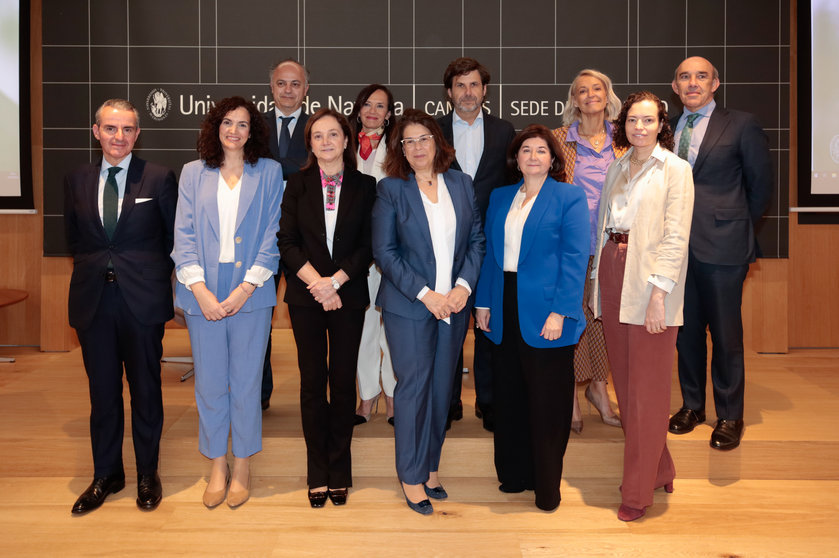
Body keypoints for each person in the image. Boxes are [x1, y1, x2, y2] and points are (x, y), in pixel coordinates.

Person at [65, 99, 177, 515]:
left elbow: (172, 242)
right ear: (96, 131)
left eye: (127, 129)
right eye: (111, 129)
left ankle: (148, 473)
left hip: (141, 302)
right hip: (93, 301)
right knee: (103, 393)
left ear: (137, 134)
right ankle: (107, 474)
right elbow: (74, 240)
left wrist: (147, 278)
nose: (119, 137)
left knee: (146, 391)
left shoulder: (161, 177)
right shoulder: (76, 178)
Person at [372, 108, 485, 515]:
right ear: (399, 148)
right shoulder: (391, 189)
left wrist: (462, 288)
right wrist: (427, 294)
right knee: (414, 388)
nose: (417, 147)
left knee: (441, 391)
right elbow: (384, 252)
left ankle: (430, 465)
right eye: (408, 141)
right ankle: (410, 473)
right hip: (410, 307)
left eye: (424, 139)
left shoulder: (461, 183)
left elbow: (475, 241)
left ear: (438, 142)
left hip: (454, 307)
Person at [172, 96, 283, 509]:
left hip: (250, 291)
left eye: (242, 124)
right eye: (226, 123)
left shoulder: (269, 172)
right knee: (211, 383)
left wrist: (244, 289)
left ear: (251, 131)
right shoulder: (192, 173)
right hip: (203, 288)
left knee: (247, 382)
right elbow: (182, 236)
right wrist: (200, 291)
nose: (233, 130)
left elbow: (273, 234)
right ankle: (216, 463)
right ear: (214, 128)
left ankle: (242, 464)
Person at [589, 91, 694, 521]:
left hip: (651, 280)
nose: (639, 127)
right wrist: (598, 283)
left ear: (661, 124)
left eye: (648, 120)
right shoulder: (618, 165)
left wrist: (659, 295)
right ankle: (660, 467)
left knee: (647, 392)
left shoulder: (676, 170)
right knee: (627, 385)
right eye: (633, 120)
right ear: (623, 123)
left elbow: (675, 237)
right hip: (614, 270)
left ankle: (636, 492)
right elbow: (603, 229)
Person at [475, 124, 589, 512]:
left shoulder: (569, 197)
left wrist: (561, 310)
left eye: (542, 150)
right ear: (516, 158)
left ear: (553, 159)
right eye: (526, 150)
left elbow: (576, 259)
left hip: (548, 309)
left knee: (548, 401)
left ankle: (546, 487)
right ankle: (513, 474)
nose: (533, 156)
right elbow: (491, 254)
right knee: (508, 395)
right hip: (504, 305)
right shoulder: (500, 196)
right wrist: (484, 303)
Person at [668, 56, 773, 451]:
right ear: (675, 88)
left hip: (724, 248)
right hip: (675, 249)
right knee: (686, 332)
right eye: (684, 77)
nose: (692, 82)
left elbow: (760, 187)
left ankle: (730, 415)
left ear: (715, 83)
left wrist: (735, 227)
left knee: (726, 336)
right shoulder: (667, 129)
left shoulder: (741, 124)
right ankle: (692, 406)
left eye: (701, 76)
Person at [277, 109, 375, 507]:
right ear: (310, 143)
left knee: (341, 381)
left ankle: (340, 470)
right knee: (312, 383)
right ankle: (317, 471)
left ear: (347, 140)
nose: (327, 142)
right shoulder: (296, 184)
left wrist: (335, 282)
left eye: (334, 134)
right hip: (305, 297)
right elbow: (286, 242)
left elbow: (368, 245)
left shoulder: (367, 186)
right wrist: (317, 284)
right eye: (318, 136)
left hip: (348, 296)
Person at [437, 57, 516, 432]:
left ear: (485, 91)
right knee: (448, 320)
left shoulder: (505, 131)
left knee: (488, 321)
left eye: (474, 86)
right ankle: (448, 400)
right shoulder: (433, 131)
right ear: (450, 92)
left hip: (492, 243)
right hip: (444, 243)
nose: (467, 93)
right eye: (460, 86)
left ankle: (488, 399)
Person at [552, 69, 624, 433]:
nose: (590, 94)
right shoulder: (557, 139)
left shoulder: (626, 139)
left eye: (597, 88)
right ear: (574, 99)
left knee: (603, 317)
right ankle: (571, 395)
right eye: (583, 90)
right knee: (572, 315)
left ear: (607, 94)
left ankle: (599, 386)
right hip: (571, 244)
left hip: (614, 244)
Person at [260, 58, 311, 411]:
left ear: (306, 89)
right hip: (260, 236)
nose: (288, 90)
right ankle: (258, 395)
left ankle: (312, 397)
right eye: (282, 84)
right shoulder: (253, 126)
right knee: (258, 320)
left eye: (295, 84)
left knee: (308, 320)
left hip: (304, 237)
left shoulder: (319, 127)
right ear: (272, 87)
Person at [348, 84, 397, 426]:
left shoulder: (400, 147)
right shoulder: (343, 144)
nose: (373, 111)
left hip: (392, 248)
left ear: (389, 114)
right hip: (353, 251)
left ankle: (393, 396)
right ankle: (366, 396)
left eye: (380, 106)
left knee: (392, 327)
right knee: (363, 326)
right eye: (367, 104)